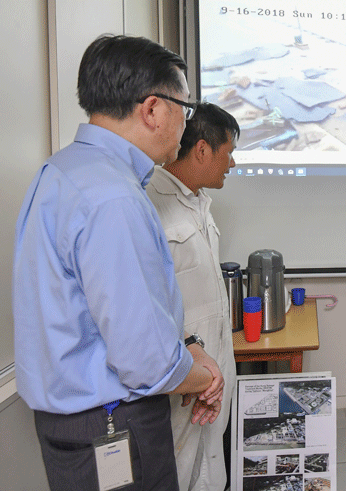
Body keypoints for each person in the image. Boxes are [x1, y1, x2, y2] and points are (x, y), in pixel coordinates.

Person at [13, 34, 224, 490]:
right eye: (184, 111)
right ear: (152, 109)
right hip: (111, 427)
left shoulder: (62, 171)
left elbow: (100, 310)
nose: (187, 125)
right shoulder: (114, 198)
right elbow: (147, 361)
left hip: (72, 424)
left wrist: (187, 341)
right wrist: (205, 377)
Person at [146, 102, 239, 491]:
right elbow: (149, 304)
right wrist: (191, 365)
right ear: (202, 149)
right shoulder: (149, 200)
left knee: (211, 464)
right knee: (180, 470)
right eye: (228, 152)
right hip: (183, 375)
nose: (231, 164)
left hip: (215, 366)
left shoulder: (199, 202)